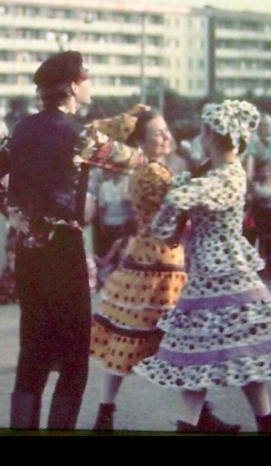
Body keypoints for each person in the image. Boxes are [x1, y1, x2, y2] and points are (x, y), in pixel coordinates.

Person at [133, 100, 271, 435]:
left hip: (228, 272)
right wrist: (177, 195)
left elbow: (189, 199)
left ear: (210, 136)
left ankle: (263, 426)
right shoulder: (205, 175)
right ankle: (251, 427)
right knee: (201, 352)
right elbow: (165, 229)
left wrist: (178, 190)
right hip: (207, 273)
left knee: (239, 352)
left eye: (205, 132)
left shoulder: (229, 174)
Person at [7, 50, 145, 431]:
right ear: (72, 87)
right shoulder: (79, 134)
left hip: (30, 249)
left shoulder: (22, 129)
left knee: (32, 354)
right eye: (88, 79)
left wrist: (14, 214)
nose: (91, 86)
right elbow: (131, 161)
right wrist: (147, 141)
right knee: (73, 360)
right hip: (65, 250)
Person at [90, 110, 227, 433]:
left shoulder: (152, 170)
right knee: (185, 342)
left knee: (131, 337)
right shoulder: (153, 174)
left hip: (150, 262)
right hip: (159, 266)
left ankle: (107, 414)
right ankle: (194, 416)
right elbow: (186, 211)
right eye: (157, 133)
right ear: (141, 141)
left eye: (166, 131)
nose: (166, 137)